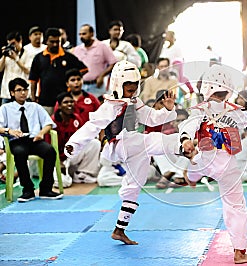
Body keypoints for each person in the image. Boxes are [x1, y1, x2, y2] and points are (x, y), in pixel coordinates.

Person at [64, 60, 179, 245]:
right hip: (118, 146)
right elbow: (92, 126)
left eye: (135, 88)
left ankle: (119, 230)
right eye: (128, 88)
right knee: (149, 141)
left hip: (135, 148)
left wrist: (168, 109)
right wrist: (74, 144)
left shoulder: (136, 102)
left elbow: (151, 118)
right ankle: (183, 147)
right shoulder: (110, 105)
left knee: (134, 187)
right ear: (118, 85)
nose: (132, 91)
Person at [179, 64, 247, 264]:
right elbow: (245, 121)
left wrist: (186, 139)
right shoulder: (234, 110)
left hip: (207, 158)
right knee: (236, 205)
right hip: (225, 162)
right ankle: (239, 252)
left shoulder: (201, 110)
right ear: (229, 90)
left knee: (196, 165)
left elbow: (188, 125)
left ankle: (191, 173)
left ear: (205, 89)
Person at [0, 78, 63, 202]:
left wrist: (41, 133)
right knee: (20, 153)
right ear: (12, 93)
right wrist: (10, 131)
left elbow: (48, 123)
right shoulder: (5, 108)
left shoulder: (34, 106)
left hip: (34, 140)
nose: (23, 93)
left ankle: (46, 189)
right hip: (16, 140)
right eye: (19, 90)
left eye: (25, 89)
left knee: (49, 151)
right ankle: (28, 189)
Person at [29, 28, 88, 114]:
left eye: (58, 41)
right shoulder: (39, 57)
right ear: (46, 41)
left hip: (64, 100)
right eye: (52, 42)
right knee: (46, 126)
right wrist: (33, 98)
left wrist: (71, 79)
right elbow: (33, 79)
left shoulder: (68, 56)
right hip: (45, 100)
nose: (55, 44)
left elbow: (84, 69)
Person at [52, 92, 100, 185]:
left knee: (94, 143)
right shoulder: (53, 122)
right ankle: (66, 175)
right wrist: (57, 161)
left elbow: (84, 137)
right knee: (63, 183)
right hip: (58, 159)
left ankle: (82, 173)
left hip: (71, 157)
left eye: (71, 102)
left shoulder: (76, 118)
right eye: (66, 102)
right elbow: (49, 146)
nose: (69, 104)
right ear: (59, 106)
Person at [73, 24, 117, 98]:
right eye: (80, 34)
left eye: (84, 34)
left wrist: (102, 76)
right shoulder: (77, 49)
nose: (81, 36)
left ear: (92, 34)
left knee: (99, 109)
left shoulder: (102, 46)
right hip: (81, 86)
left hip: (97, 86)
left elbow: (113, 63)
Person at [0, 31, 31, 104]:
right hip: (7, 93)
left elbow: (28, 71)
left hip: (22, 92)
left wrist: (16, 59)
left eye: (13, 43)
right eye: (9, 44)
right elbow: (0, 69)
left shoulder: (27, 54)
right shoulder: (8, 54)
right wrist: (4, 55)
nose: (12, 46)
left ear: (20, 41)